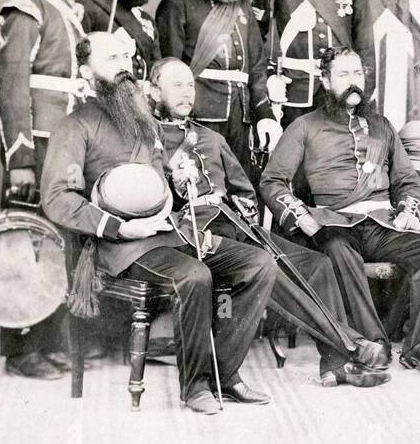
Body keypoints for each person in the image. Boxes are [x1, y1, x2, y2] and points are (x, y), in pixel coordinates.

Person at [42, 32, 277, 414]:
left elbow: (157, 185)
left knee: (258, 265)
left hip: (168, 231)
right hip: (120, 245)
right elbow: (57, 198)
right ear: (86, 72)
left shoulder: (144, 122)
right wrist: (119, 227)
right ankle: (196, 386)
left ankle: (224, 373)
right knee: (194, 276)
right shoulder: (76, 127)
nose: (122, 65)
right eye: (110, 59)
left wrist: (178, 180)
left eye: (124, 56)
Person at [150, 57, 390, 388]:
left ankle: (334, 365)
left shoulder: (212, 139)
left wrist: (244, 207)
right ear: (153, 91)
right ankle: (348, 347)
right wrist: (175, 188)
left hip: (238, 227)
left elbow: (244, 189)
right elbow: (148, 198)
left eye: (190, 84)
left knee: (317, 264)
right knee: (268, 266)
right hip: (195, 236)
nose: (187, 92)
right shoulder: (149, 140)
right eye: (176, 85)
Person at [259, 48, 420, 377]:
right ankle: (374, 342)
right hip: (336, 222)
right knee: (336, 249)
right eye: (344, 75)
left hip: (382, 223)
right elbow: (272, 181)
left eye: (357, 74)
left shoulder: (382, 126)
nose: (353, 83)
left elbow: (407, 180)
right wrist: (301, 216)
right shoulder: (304, 127)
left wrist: (406, 209)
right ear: (326, 80)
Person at [0, 0, 89, 379]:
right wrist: (21, 159)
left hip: (66, 144)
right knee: (28, 242)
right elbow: (11, 90)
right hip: (39, 145)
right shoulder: (26, 5)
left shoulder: (64, 7)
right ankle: (20, 348)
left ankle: (49, 340)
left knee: (60, 244)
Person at [157, 0, 280, 180]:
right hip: (198, 119)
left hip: (242, 120)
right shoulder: (178, 2)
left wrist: (265, 115)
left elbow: (257, 69)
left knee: (244, 192)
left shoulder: (242, 4)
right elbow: (169, 70)